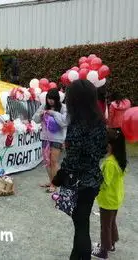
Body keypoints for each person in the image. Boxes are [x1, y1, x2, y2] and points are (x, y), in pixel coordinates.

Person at [51, 79, 108, 260]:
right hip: (93, 180)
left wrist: (59, 176)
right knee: (82, 223)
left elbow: (73, 159)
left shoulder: (77, 126)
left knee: (81, 225)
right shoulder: (99, 122)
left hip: (79, 183)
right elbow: (100, 151)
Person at [92, 128, 127, 259]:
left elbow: (104, 182)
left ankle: (103, 251)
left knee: (105, 226)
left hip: (107, 200)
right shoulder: (119, 159)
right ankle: (111, 244)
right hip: (115, 198)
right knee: (111, 222)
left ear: (109, 145)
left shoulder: (109, 163)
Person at [32, 88, 67, 193]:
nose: (50, 101)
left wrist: (52, 113)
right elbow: (35, 119)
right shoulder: (43, 106)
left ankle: (54, 184)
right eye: (48, 99)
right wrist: (41, 114)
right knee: (47, 161)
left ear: (57, 99)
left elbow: (64, 122)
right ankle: (51, 181)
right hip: (45, 137)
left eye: (52, 99)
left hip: (57, 138)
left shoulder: (63, 108)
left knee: (54, 161)